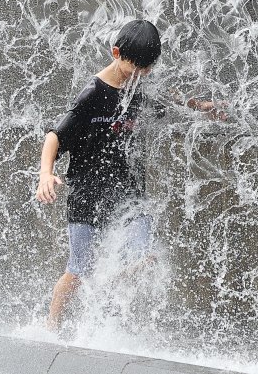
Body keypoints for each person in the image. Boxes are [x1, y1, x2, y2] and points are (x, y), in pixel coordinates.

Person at [36, 19, 221, 330]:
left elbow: (171, 98)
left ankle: (105, 300)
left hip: (128, 191)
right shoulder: (92, 93)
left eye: (146, 70)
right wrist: (45, 173)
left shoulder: (139, 86)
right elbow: (55, 135)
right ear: (116, 52)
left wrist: (203, 106)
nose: (140, 76)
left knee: (143, 258)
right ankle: (51, 326)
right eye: (136, 68)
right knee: (79, 269)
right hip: (87, 193)